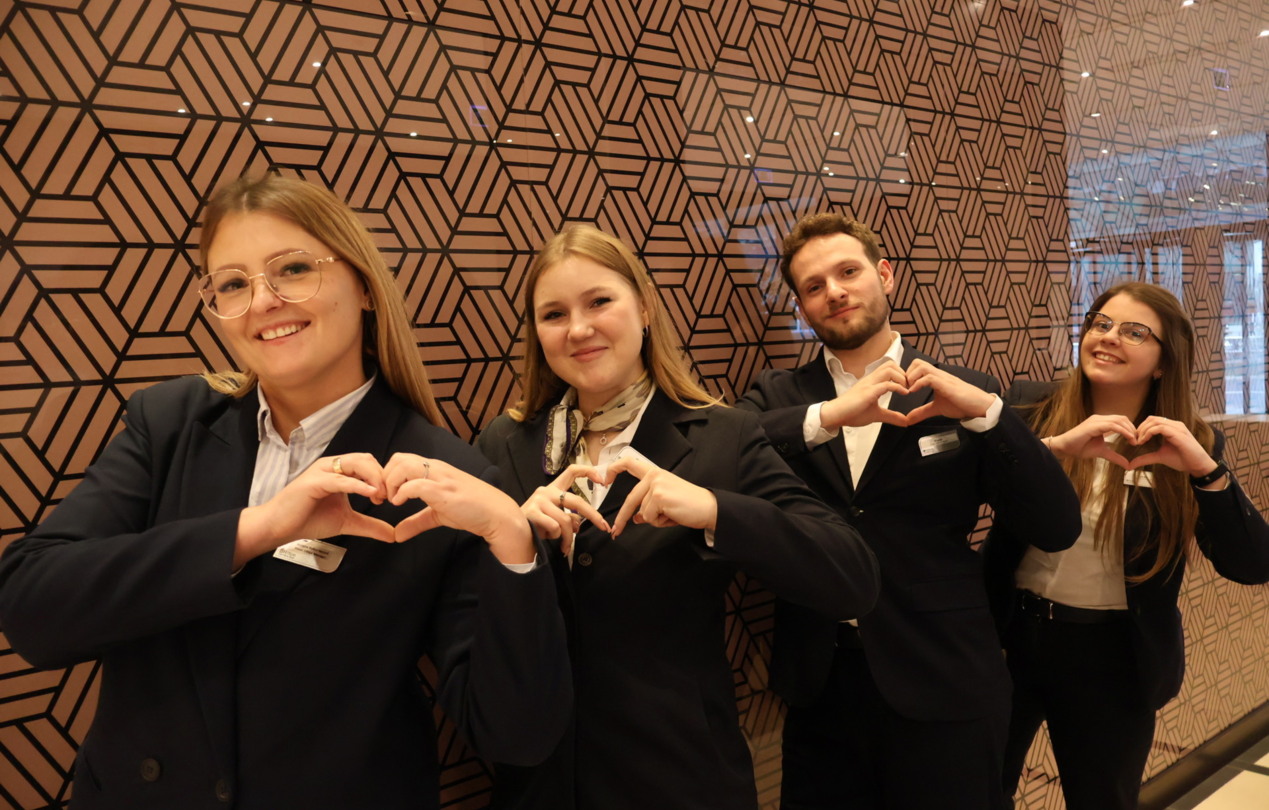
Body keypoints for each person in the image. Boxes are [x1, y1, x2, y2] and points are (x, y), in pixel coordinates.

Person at [0, 174, 570, 810]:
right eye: (234, 284)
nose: (263, 300)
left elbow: (517, 736)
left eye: (293, 268)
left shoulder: (439, 475)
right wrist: (258, 529)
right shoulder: (168, 423)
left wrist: (515, 545)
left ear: (363, 286)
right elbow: (32, 610)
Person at [474, 223, 879, 810]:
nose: (579, 328)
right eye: (554, 314)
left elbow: (853, 577)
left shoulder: (723, 435)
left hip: (679, 775)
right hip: (539, 781)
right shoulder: (504, 444)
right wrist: (511, 537)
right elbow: (469, 610)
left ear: (644, 308)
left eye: (599, 302)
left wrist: (715, 509)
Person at [736, 212, 1082, 809]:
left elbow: (1056, 524)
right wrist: (828, 418)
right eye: (813, 286)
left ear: (885, 275)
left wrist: (989, 414)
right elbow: (725, 455)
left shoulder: (959, 388)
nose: (834, 292)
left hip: (944, 675)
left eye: (848, 272)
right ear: (801, 305)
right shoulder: (778, 398)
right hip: (822, 683)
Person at [984, 281, 1269, 809]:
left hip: (1113, 657)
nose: (1109, 337)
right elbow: (967, 487)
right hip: (1008, 636)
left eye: (1135, 332)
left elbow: (1252, 564)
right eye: (1101, 323)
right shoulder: (1030, 409)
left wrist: (1206, 472)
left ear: (1163, 362)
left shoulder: (1187, 441)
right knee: (977, 790)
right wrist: (1046, 450)